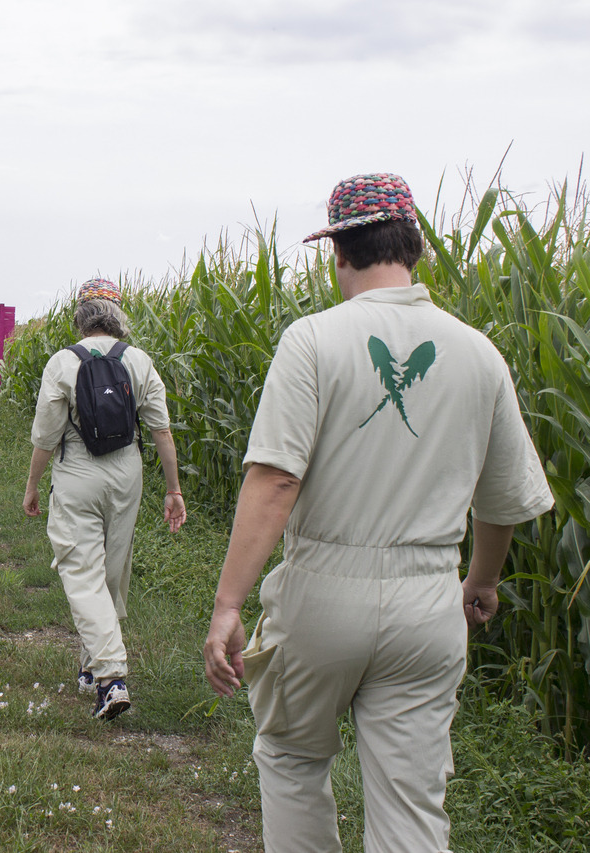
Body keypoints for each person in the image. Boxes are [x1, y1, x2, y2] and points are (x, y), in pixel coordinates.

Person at [202, 174, 554, 852]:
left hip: (323, 593)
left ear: (338, 250)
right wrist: (481, 581)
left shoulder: (313, 340)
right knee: (411, 803)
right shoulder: (479, 353)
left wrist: (228, 604)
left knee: (293, 759)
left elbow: (275, 481)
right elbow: (504, 497)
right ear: (413, 246)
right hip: (428, 602)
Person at [23, 278, 187, 720]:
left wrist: (33, 484)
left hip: (77, 471)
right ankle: (89, 666)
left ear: (80, 315)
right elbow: (161, 432)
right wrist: (173, 489)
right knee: (111, 571)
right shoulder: (139, 361)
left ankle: (111, 677)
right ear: (118, 316)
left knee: (82, 571)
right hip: (126, 472)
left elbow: (45, 436)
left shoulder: (63, 363)